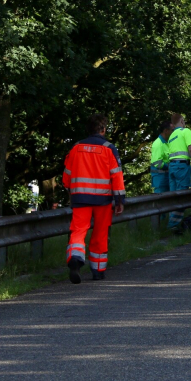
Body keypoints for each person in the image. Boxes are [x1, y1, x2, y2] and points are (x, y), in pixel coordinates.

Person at [62, 114, 125, 283]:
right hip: (102, 200)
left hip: (80, 197)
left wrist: (70, 189)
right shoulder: (108, 148)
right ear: (103, 130)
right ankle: (98, 270)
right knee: (100, 232)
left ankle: (75, 258)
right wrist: (120, 200)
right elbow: (116, 176)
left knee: (78, 230)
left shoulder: (76, 148)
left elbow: (66, 175)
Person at [167, 112, 191, 232]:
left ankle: (173, 223)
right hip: (182, 167)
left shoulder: (171, 136)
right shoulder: (185, 131)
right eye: (184, 121)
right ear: (181, 121)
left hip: (172, 168)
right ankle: (174, 226)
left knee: (174, 197)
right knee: (182, 197)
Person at [150, 120, 173, 194]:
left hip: (165, 178)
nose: (173, 132)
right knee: (161, 203)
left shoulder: (167, 143)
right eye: (172, 130)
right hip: (160, 180)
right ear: (166, 131)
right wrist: (170, 166)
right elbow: (157, 163)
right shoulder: (158, 143)